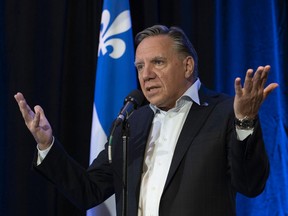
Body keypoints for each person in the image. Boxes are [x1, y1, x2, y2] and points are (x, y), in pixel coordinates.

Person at [15, 25, 279, 216]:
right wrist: (47, 145)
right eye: (140, 66)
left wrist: (244, 120)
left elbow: (251, 184)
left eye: (158, 62)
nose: (146, 74)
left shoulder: (223, 112)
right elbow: (89, 190)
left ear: (187, 66)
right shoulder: (132, 122)